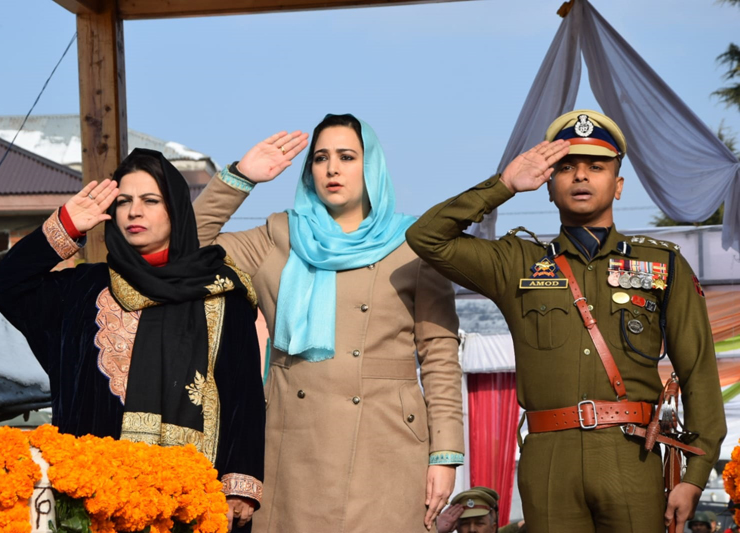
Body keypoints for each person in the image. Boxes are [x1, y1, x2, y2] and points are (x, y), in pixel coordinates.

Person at [406, 110, 726, 533]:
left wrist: (693, 477)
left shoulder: (661, 264)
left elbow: (698, 371)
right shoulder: (516, 261)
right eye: (566, 167)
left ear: (619, 185)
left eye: (596, 167)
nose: (580, 177)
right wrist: (504, 185)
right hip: (549, 461)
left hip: (632, 456)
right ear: (549, 186)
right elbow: (427, 237)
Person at [192, 114, 464, 532]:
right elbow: (188, 249)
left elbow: (440, 356)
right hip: (293, 444)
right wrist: (241, 177)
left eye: (347, 156)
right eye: (320, 158)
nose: (332, 168)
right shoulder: (277, 237)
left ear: (370, 165)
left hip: (387, 444)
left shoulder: (413, 244)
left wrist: (445, 457)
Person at [0, 149, 265, 532]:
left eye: (151, 201)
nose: (135, 212)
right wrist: (66, 226)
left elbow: (244, 394)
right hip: (90, 504)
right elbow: (5, 286)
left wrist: (241, 485)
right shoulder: (82, 290)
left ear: (177, 211)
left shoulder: (219, 292)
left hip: (193, 501)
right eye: (123, 202)